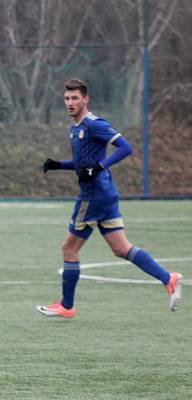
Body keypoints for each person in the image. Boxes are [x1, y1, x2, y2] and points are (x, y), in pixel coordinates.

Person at [38, 78, 183, 318]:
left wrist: (100, 167)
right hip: (104, 194)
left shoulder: (95, 124)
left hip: (93, 197)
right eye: (67, 98)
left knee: (68, 249)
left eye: (75, 98)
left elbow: (125, 147)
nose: (70, 103)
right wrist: (59, 165)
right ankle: (169, 279)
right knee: (121, 248)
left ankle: (66, 306)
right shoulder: (75, 128)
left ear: (86, 99)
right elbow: (84, 165)